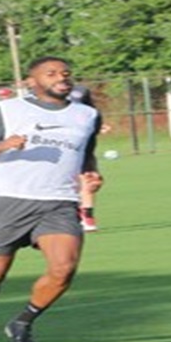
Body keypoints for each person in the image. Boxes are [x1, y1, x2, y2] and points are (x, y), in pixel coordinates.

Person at [0, 56, 102, 342]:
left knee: (63, 269)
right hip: (10, 199)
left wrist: (91, 174)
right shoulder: (10, 109)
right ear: (31, 81)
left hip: (59, 201)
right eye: (51, 74)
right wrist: (0, 146)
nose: (61, 78)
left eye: (65, 73)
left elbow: (86, 155)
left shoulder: (87, 115)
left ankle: (23, 322)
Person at [68, 84, 105, 232]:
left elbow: (91, 136)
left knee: (90, 183)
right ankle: (76, 215)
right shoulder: (61, 112)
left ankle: (87, 218)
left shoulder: (92, 114)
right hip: (63, 154)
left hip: (84, 153)